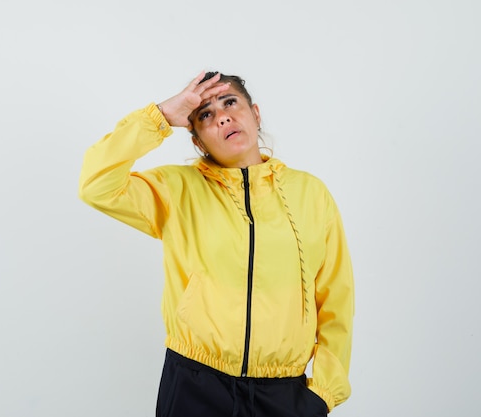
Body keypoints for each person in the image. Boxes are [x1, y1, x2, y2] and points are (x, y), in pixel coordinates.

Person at [78, 71, 354, 417]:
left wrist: (324, 392)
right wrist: (160, 116)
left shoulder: (311, 194)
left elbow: (335, 298)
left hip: (284, 394)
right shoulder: (176, 189)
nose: (222, 116)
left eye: (230, 102)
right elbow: (96, 184)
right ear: (198, 141)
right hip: (196, 385)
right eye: (205, 115)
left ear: (255, 113)